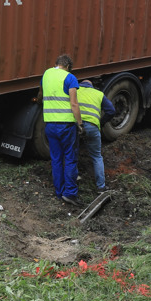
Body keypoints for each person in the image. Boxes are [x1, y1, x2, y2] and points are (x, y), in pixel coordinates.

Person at [41, 54, 83, 206]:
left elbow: (41, 94)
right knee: (70, 159)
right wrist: (80, 123)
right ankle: (70, 193)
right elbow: (74, 104)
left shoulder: (46, 74)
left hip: (50, 125)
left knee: (56, 159)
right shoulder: (70, 77)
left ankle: (59, 192)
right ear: (68, 66)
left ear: (56, 63)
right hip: (66, 125)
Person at [76, 80, 116, 192]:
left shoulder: (75, 91)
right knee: (97, 156)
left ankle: (74, 180)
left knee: (72, 153)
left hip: (76, 126)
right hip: (92, 127)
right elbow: (111, 111)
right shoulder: (98, 94)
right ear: (91, 86)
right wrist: (102, 122)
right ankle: (101, 186)